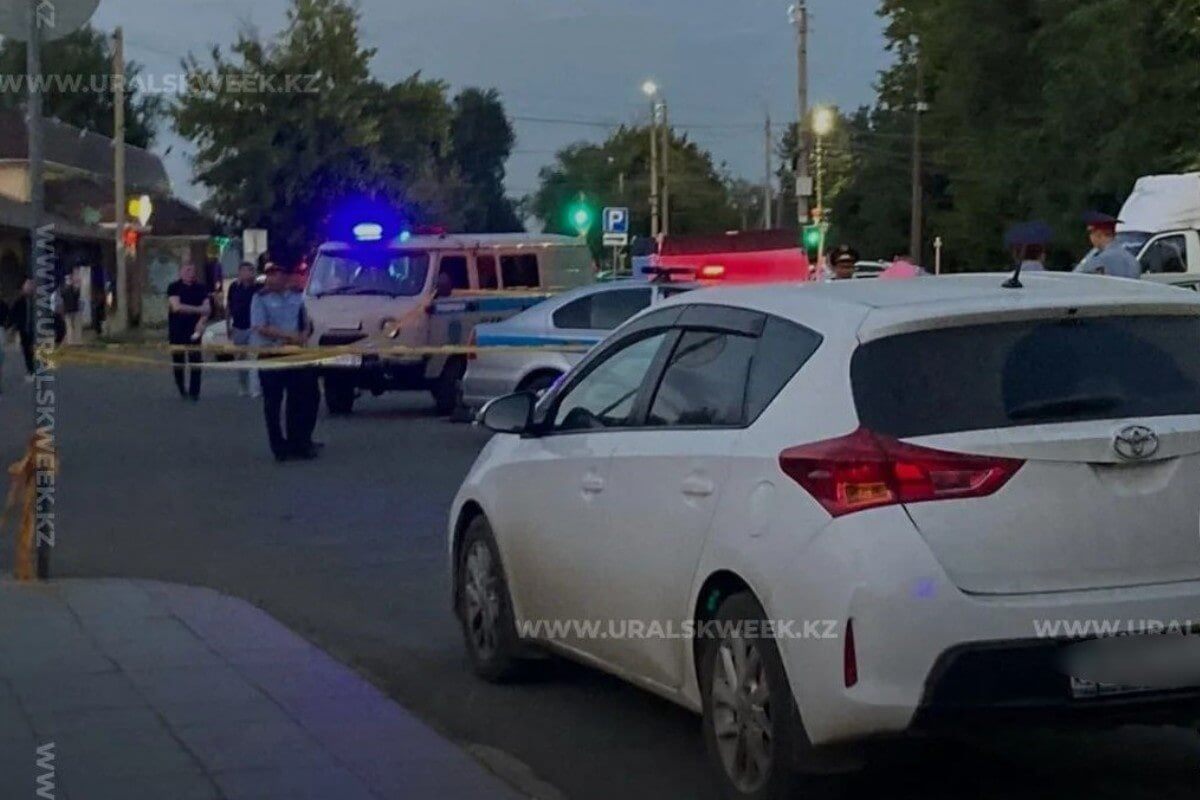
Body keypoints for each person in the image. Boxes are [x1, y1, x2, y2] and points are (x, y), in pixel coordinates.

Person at [251, 263, 321, 462]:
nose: (272, 279)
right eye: (269, 275)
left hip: (295, 354)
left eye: (277, 274)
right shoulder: (260, 298)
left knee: (302, 398)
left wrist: (305, 333)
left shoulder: (296, 295)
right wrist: (289, 336)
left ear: (285, 276)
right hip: (270, 355)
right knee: (272, 403)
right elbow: (260, 326)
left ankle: (300, 441)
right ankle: (278, 446)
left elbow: (305, 319)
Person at [167, 263, 210, 401]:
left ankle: (194, 392)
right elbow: (176, 307)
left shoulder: (201, 288)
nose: (190, 273)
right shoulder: (174, 287)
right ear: (181, 272)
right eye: (187, 270)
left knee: (196, 362)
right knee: (178, 362)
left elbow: (207, 309)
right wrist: (199, 309)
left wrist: (201, 320)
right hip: (177, 330)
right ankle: (181, 389)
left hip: (195, 330)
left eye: (193, 270)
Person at [226, 261, 260, 397]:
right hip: (238, 327)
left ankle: (255, 388)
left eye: (250, 271)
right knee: (240, 359)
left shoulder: (258, 288)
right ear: (240, 273)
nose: (248, 274)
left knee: (254, 357)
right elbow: (229, 306)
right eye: (245, 271)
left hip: (253, 328)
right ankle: (243, 385)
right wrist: (227, 325)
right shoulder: (234, 287)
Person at [1075, 211, 1141, 279]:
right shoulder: (1133, 261)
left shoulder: (1098, 261)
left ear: (1098, 234)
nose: (1090, 237)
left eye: (1090, 232)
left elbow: (1078, 279)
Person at [7, 280, 35, 382]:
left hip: (34, 330)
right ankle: (30, 370)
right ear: (23, 288)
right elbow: (13, 313)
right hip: (24, 329)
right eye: (26, 287)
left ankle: (36, 369)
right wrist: (11, 326)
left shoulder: (36, 301)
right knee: (27, 351)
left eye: (30, 287)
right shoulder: (19, 300)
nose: (28, 289)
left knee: (35, 350)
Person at [59, 273, 82, 344]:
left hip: (69, 310)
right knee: (74, 326)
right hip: (73, 310)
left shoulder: (63, 289)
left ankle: (71, 341)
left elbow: (62, 299)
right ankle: (75, 341)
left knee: (70, 327)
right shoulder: (71, 288)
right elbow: (77, 296)